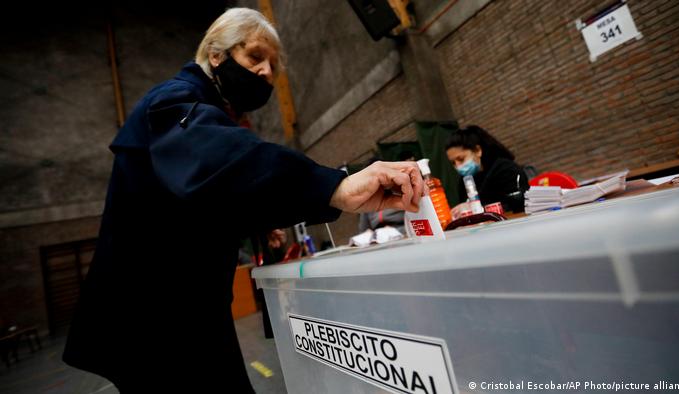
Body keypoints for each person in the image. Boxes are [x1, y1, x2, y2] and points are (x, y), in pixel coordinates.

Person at [62, 8, 423, 393]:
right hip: (153, 319)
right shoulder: (173, 101)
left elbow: (198, 200)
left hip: (188, 312)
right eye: (254, 57)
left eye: (272, 65)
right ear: (217, 54)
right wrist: (334, 187)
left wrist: (256, 223)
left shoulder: (208, 110)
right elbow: (217, 158)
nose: (267, 71)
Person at [445, 125, 529, 214]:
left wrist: (476, 208)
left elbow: (518, 204)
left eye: (461, 159)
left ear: (478, 150)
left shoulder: (506, 170)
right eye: (453, 163)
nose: (458, 166)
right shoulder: (464, 181)